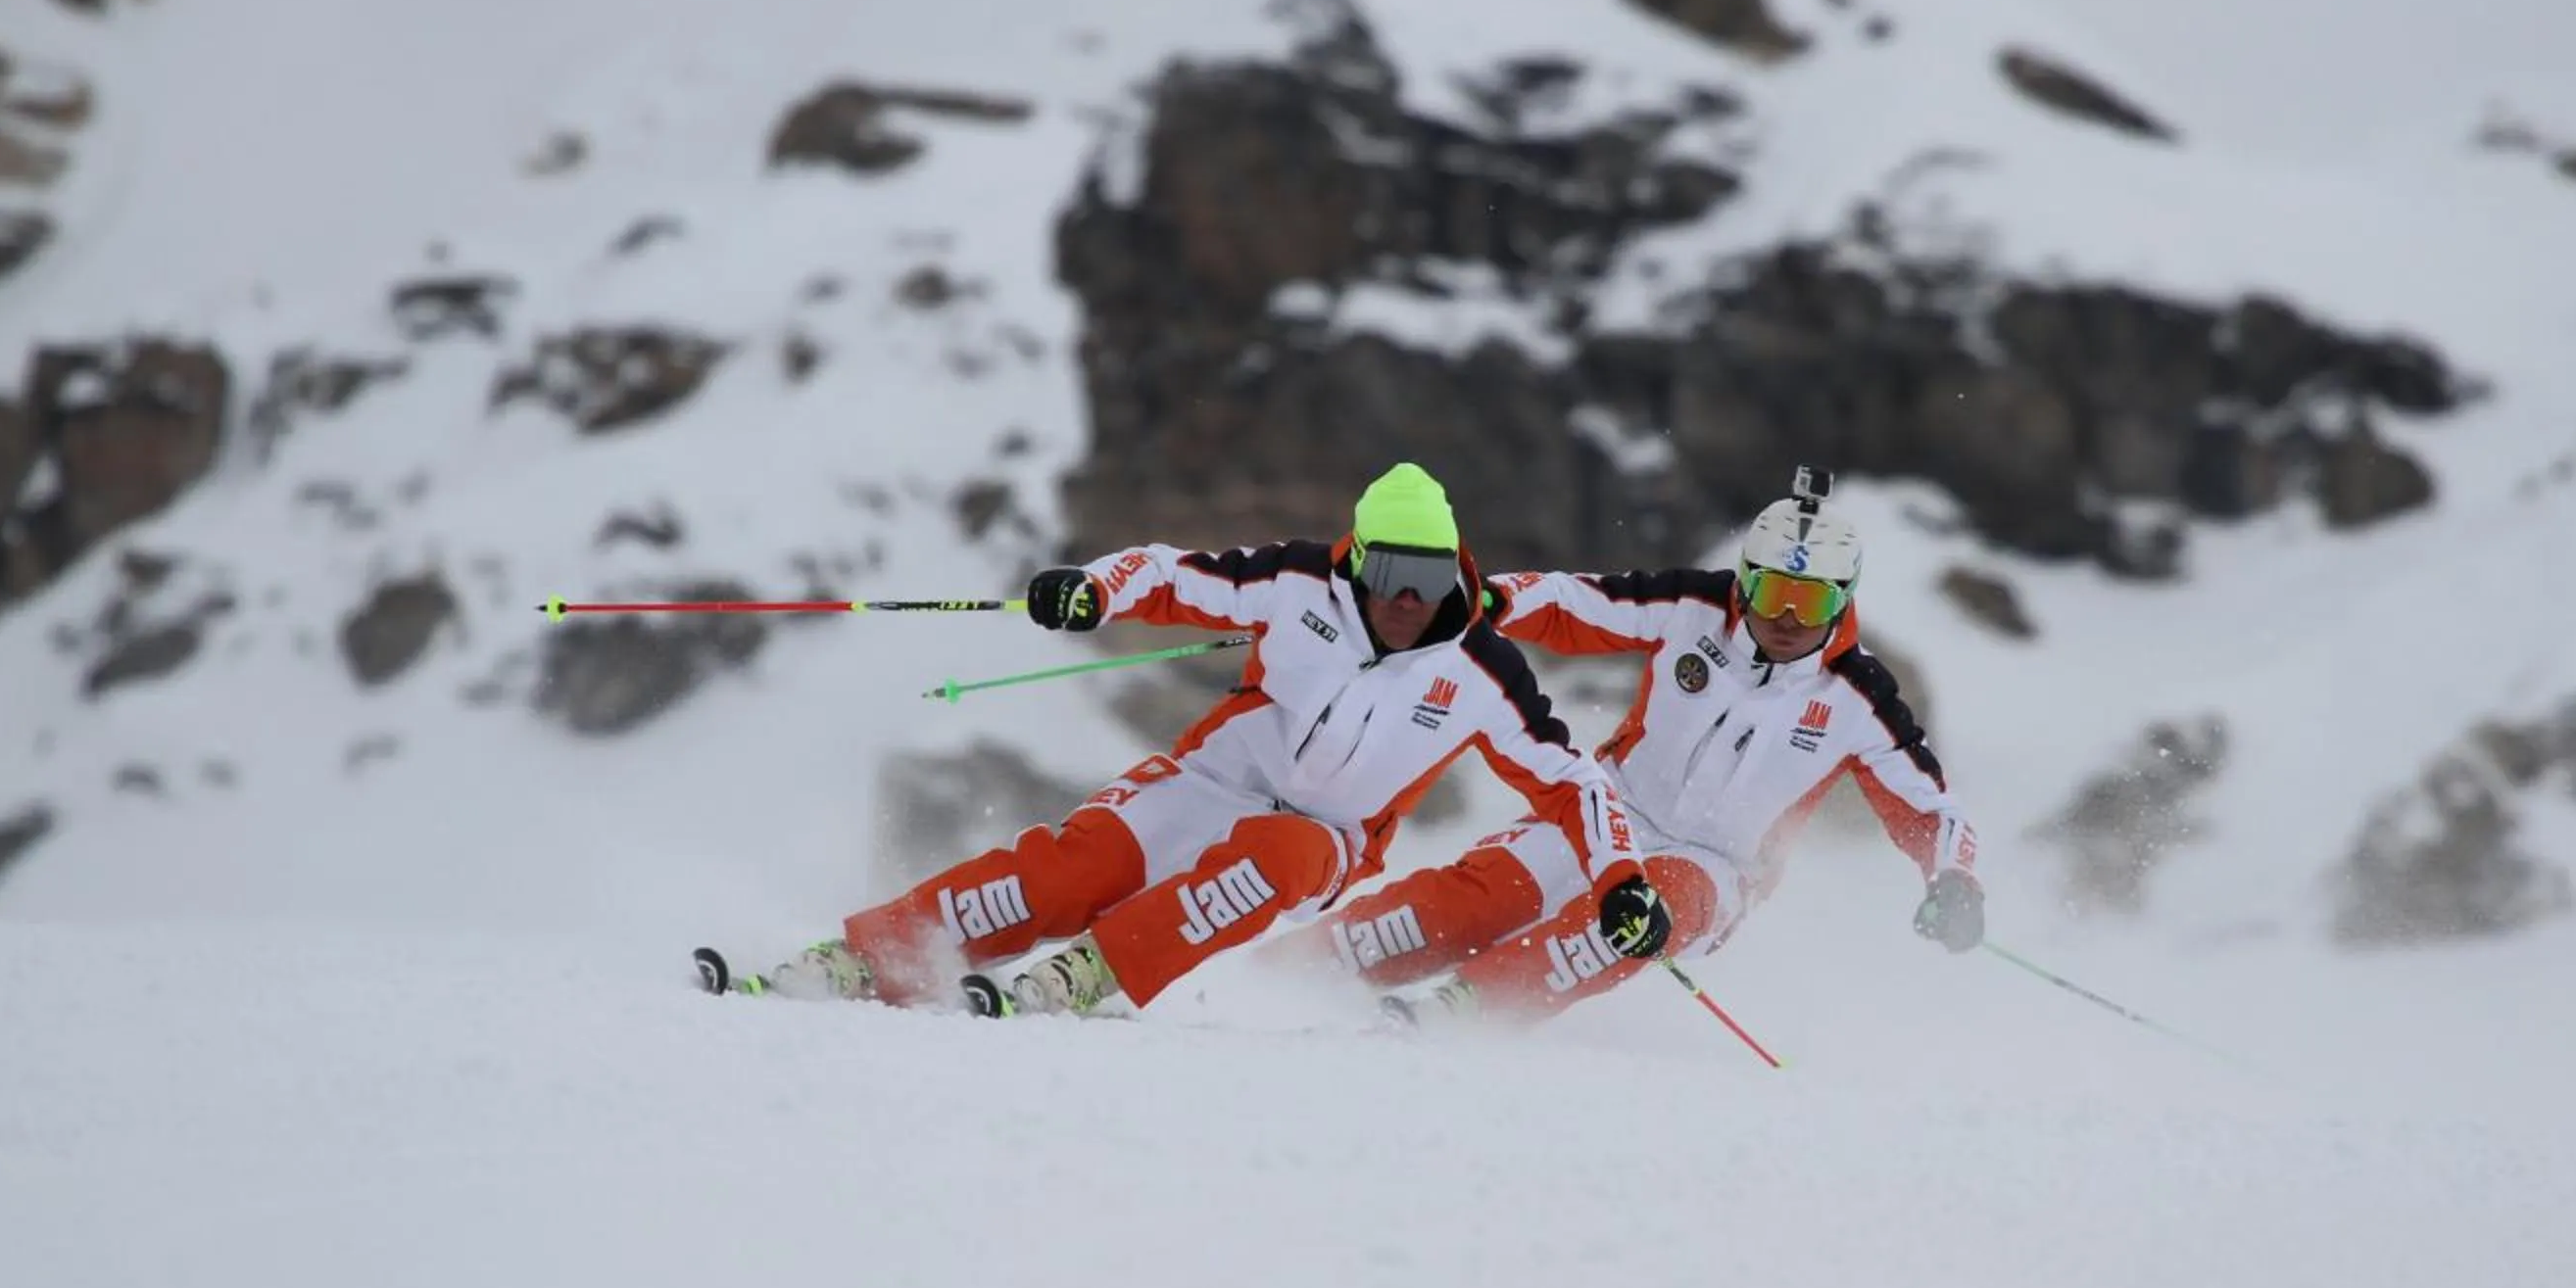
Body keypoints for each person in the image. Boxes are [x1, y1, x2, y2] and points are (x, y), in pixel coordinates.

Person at [704, 462, 1673, 1018]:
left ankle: (1096, 970)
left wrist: (1622, 879)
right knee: (1072, 869)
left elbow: (1572, 784)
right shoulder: (1299, 586)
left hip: (1329, 829)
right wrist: (1093, 587)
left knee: (1279, 854)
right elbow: (1172, 573)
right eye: (1389, 574)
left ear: (1457, 569)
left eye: (1427, 578)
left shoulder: (1481, 665)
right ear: (1359, 558)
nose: (1406, 602)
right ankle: (869, 957)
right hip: (1225, 769)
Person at [1283, 467, 1984, 1027]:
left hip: (1717, 867)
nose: (1788, 619)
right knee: (1474, 902)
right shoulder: (1692, 607)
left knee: (1645, 909)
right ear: (1745, 580)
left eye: (1813, 602)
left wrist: (1954, 882)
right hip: (1608, 813)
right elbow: (1571, 603)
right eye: (1772, 593)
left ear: (1844, 600)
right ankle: (1282, 968)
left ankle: (1466, 1008)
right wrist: (1485, 603)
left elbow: (1931, 810)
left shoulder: (1858, 697)